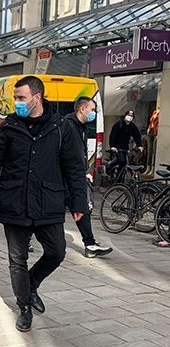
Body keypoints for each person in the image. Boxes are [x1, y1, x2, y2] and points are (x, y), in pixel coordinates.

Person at [0, 76, 87, 333]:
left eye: (20, 98)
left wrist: (78, 202)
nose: (16, 102)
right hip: (15, 201)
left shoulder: (61, 127)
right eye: (15, 98)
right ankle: (24, 306)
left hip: (48, 201)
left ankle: (31, 284)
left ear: (37, 98)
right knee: (17, 259)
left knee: (56, 252)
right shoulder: (9, 125)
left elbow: (73, 168)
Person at [66, 97, 113, 258]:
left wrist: (84, 172)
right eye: (92, 110)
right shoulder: (69, 126)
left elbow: (78, 154)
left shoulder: (81, 126)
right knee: (49, 211)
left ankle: (90, 244)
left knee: (82, 208)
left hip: (75, 176)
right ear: (82, 109)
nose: (93, 113)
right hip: (66, 178)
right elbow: (68, 156)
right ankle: (26, 238)